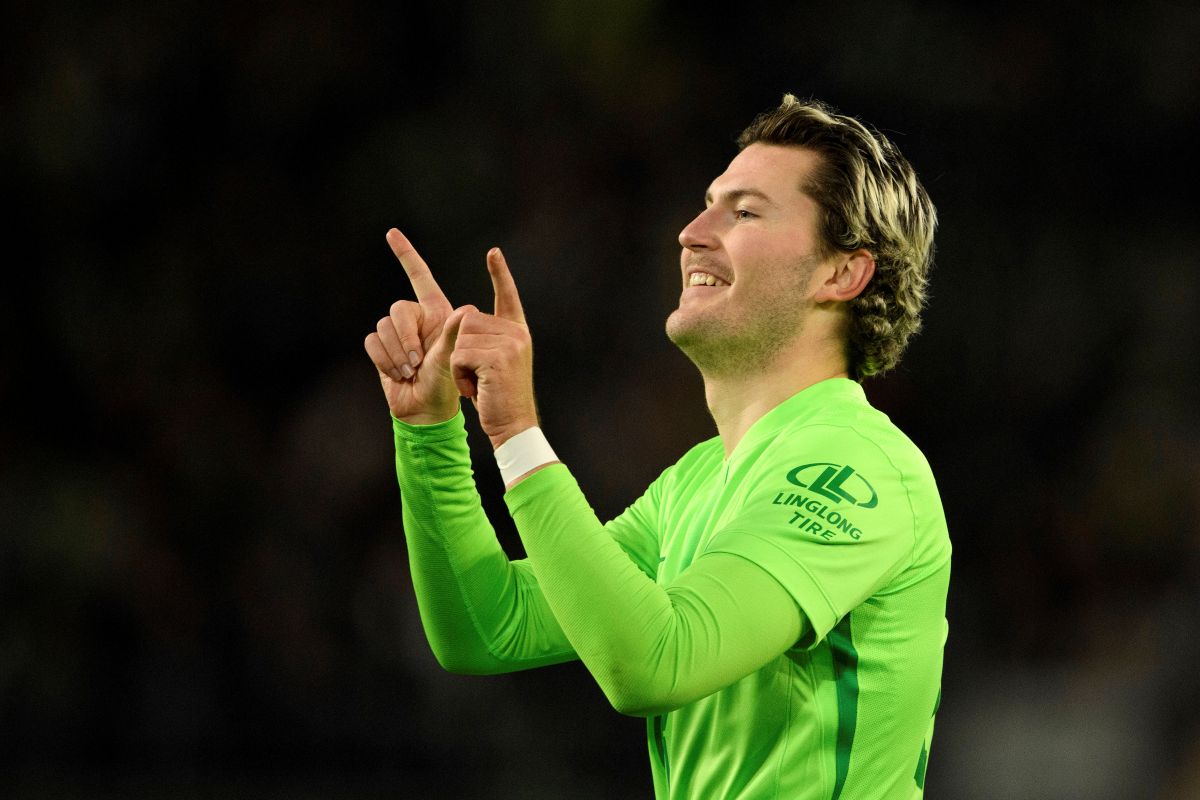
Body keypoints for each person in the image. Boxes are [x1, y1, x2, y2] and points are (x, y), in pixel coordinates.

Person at [364, 94, 949, 800]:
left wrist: (517, 432)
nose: (692, 232)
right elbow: (487, 627)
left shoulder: (859, 469)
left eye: (745, 212)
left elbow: (655, 664)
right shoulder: (696, 482)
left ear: (841, 274)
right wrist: (429, 432)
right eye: (708, 204)